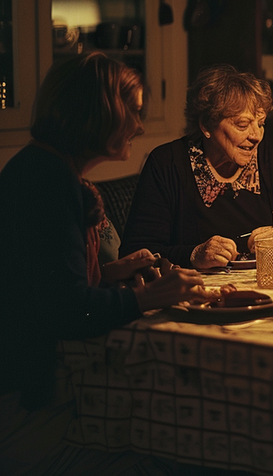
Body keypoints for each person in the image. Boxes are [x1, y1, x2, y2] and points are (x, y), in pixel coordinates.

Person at [0, 53, 221, 474]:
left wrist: (107, 275)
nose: (139, 126)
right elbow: (65, 311)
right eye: (133, 113)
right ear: (98, 113)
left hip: (43, 390)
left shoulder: (45, 168)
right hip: (23, 409)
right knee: (172, 455)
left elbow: (42, 286)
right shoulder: (46, 181)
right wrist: (146, 296)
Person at [121, 64, 273, 268]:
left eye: (261, 123)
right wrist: (193, 254)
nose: (256, 136)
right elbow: (133, 254)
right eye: (242, 125)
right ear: (206, 124)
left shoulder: (269, 153)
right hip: (196, 293)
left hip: (265, 285)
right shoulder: (167, 163)